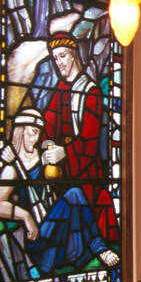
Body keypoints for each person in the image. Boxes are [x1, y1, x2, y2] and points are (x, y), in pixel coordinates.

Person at [0, 107, 118, 276]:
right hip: (37, 241)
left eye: (39, 133)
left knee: (74, 193)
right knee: (74, 193)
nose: (36, 138)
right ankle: (99, 249)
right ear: (20, 131)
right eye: (33, 132)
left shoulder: (40, 158)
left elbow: (56, 186)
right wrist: (24, 215)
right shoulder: (12, 168)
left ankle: (98, 248)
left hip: (56, 230)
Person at [40, 32, 119, 246]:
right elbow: (48, 123)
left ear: (75, 55)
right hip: (66, 169)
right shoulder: (61, 89)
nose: (59, 63)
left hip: (87, 170)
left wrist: (65, 152)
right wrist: (48, 145)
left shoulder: (90, 91)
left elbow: (90, 139)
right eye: (55, 58)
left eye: (63, 56)